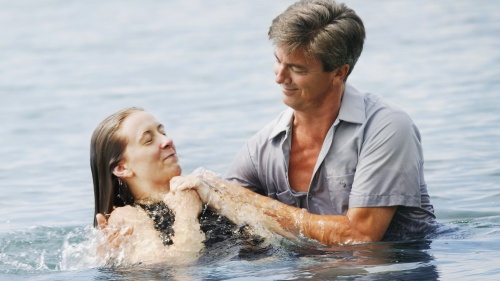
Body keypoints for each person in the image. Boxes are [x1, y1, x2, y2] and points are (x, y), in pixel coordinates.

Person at [224, 0, 438, 244]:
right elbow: (219, 209)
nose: (280, 77)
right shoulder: (260, 149)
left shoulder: (388, 128)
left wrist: (254, 203)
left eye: (297, 69)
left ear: (339, 73)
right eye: (278, 61)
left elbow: (361, 237)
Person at [91, 107, 300, 266]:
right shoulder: (128, 217)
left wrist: (217, 199)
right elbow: (173, 268)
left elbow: (288, 237)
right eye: (148, 140)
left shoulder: (205, 185)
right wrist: (185, 214)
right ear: (121, 168)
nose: (166, 140)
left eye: (162, 132)